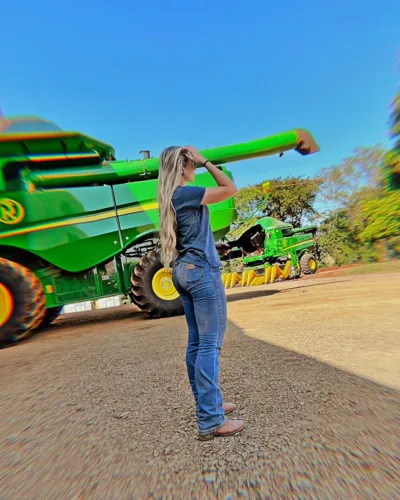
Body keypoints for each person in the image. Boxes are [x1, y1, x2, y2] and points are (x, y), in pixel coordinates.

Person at [157, 144, 245, 440]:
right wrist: (206, 160)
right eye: (191, 164)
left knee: (196, 344)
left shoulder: (173, 197)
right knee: (209, 346)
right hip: (201, 273)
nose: (194, 168)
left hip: (184, 270)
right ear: (182, 166)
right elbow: (230, 188)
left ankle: (210, 405)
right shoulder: (185, 193)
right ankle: (210, 419)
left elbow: (191, 235)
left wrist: (213, 246)